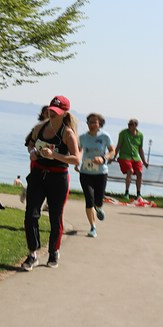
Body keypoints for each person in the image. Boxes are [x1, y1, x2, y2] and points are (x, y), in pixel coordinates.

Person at [21, 96, 80, 270]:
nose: (52, 114)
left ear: (64, 114)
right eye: (50, 111)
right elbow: (30, 144)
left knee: (55, 217)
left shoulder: (67, 133)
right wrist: (32, 152)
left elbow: (76, 159)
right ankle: (33, 253)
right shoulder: (40, 127)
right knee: (30, 214)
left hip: (58, 178)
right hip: (38, 175)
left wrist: (54, 155)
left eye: (56, 112)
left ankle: (54, 251)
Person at [76, 112, 115, 238]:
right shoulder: (82, 137)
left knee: (98, 200)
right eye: (90, 122)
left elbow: (112, 151)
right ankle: (93, 227)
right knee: (89, 200)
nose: (92, 124)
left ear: (100, 124)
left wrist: (103, 158)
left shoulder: (105, 136)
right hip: (85, 172)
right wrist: (77, 162)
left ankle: (99, 208)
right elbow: (79, 151)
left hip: (100, 173)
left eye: (94, 122)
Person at [115, 119, 149, 202]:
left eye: (131, 124)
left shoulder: (140, 135)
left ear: (135, 126)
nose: (129, 126)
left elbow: (140, 149)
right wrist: (114, 156)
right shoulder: (123, 133)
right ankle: (126, 192)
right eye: (129, 124)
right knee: (130, 170)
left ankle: (138, 193)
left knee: (139, 173)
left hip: (135, 157)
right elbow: (118, 145)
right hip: (124, 156)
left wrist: (144, 161)